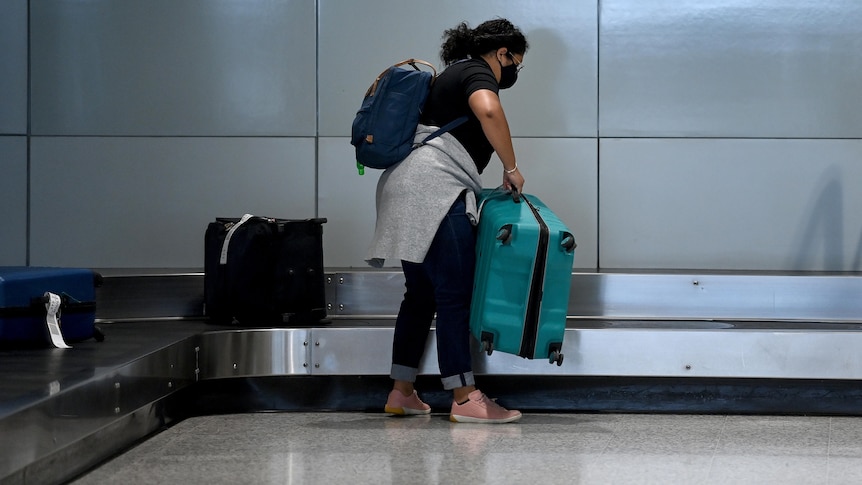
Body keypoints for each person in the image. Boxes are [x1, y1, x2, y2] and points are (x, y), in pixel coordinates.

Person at [367, 18, 528, 424]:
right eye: (515, 63)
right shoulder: (475, 70)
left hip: (404, 185)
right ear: (502, 53)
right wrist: (511, 166)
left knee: (419, 295)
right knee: (454, 293)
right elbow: (487, 109)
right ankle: (465, 397)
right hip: (435, 189)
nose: (513, 73)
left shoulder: (451, 74)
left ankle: (402, 391)